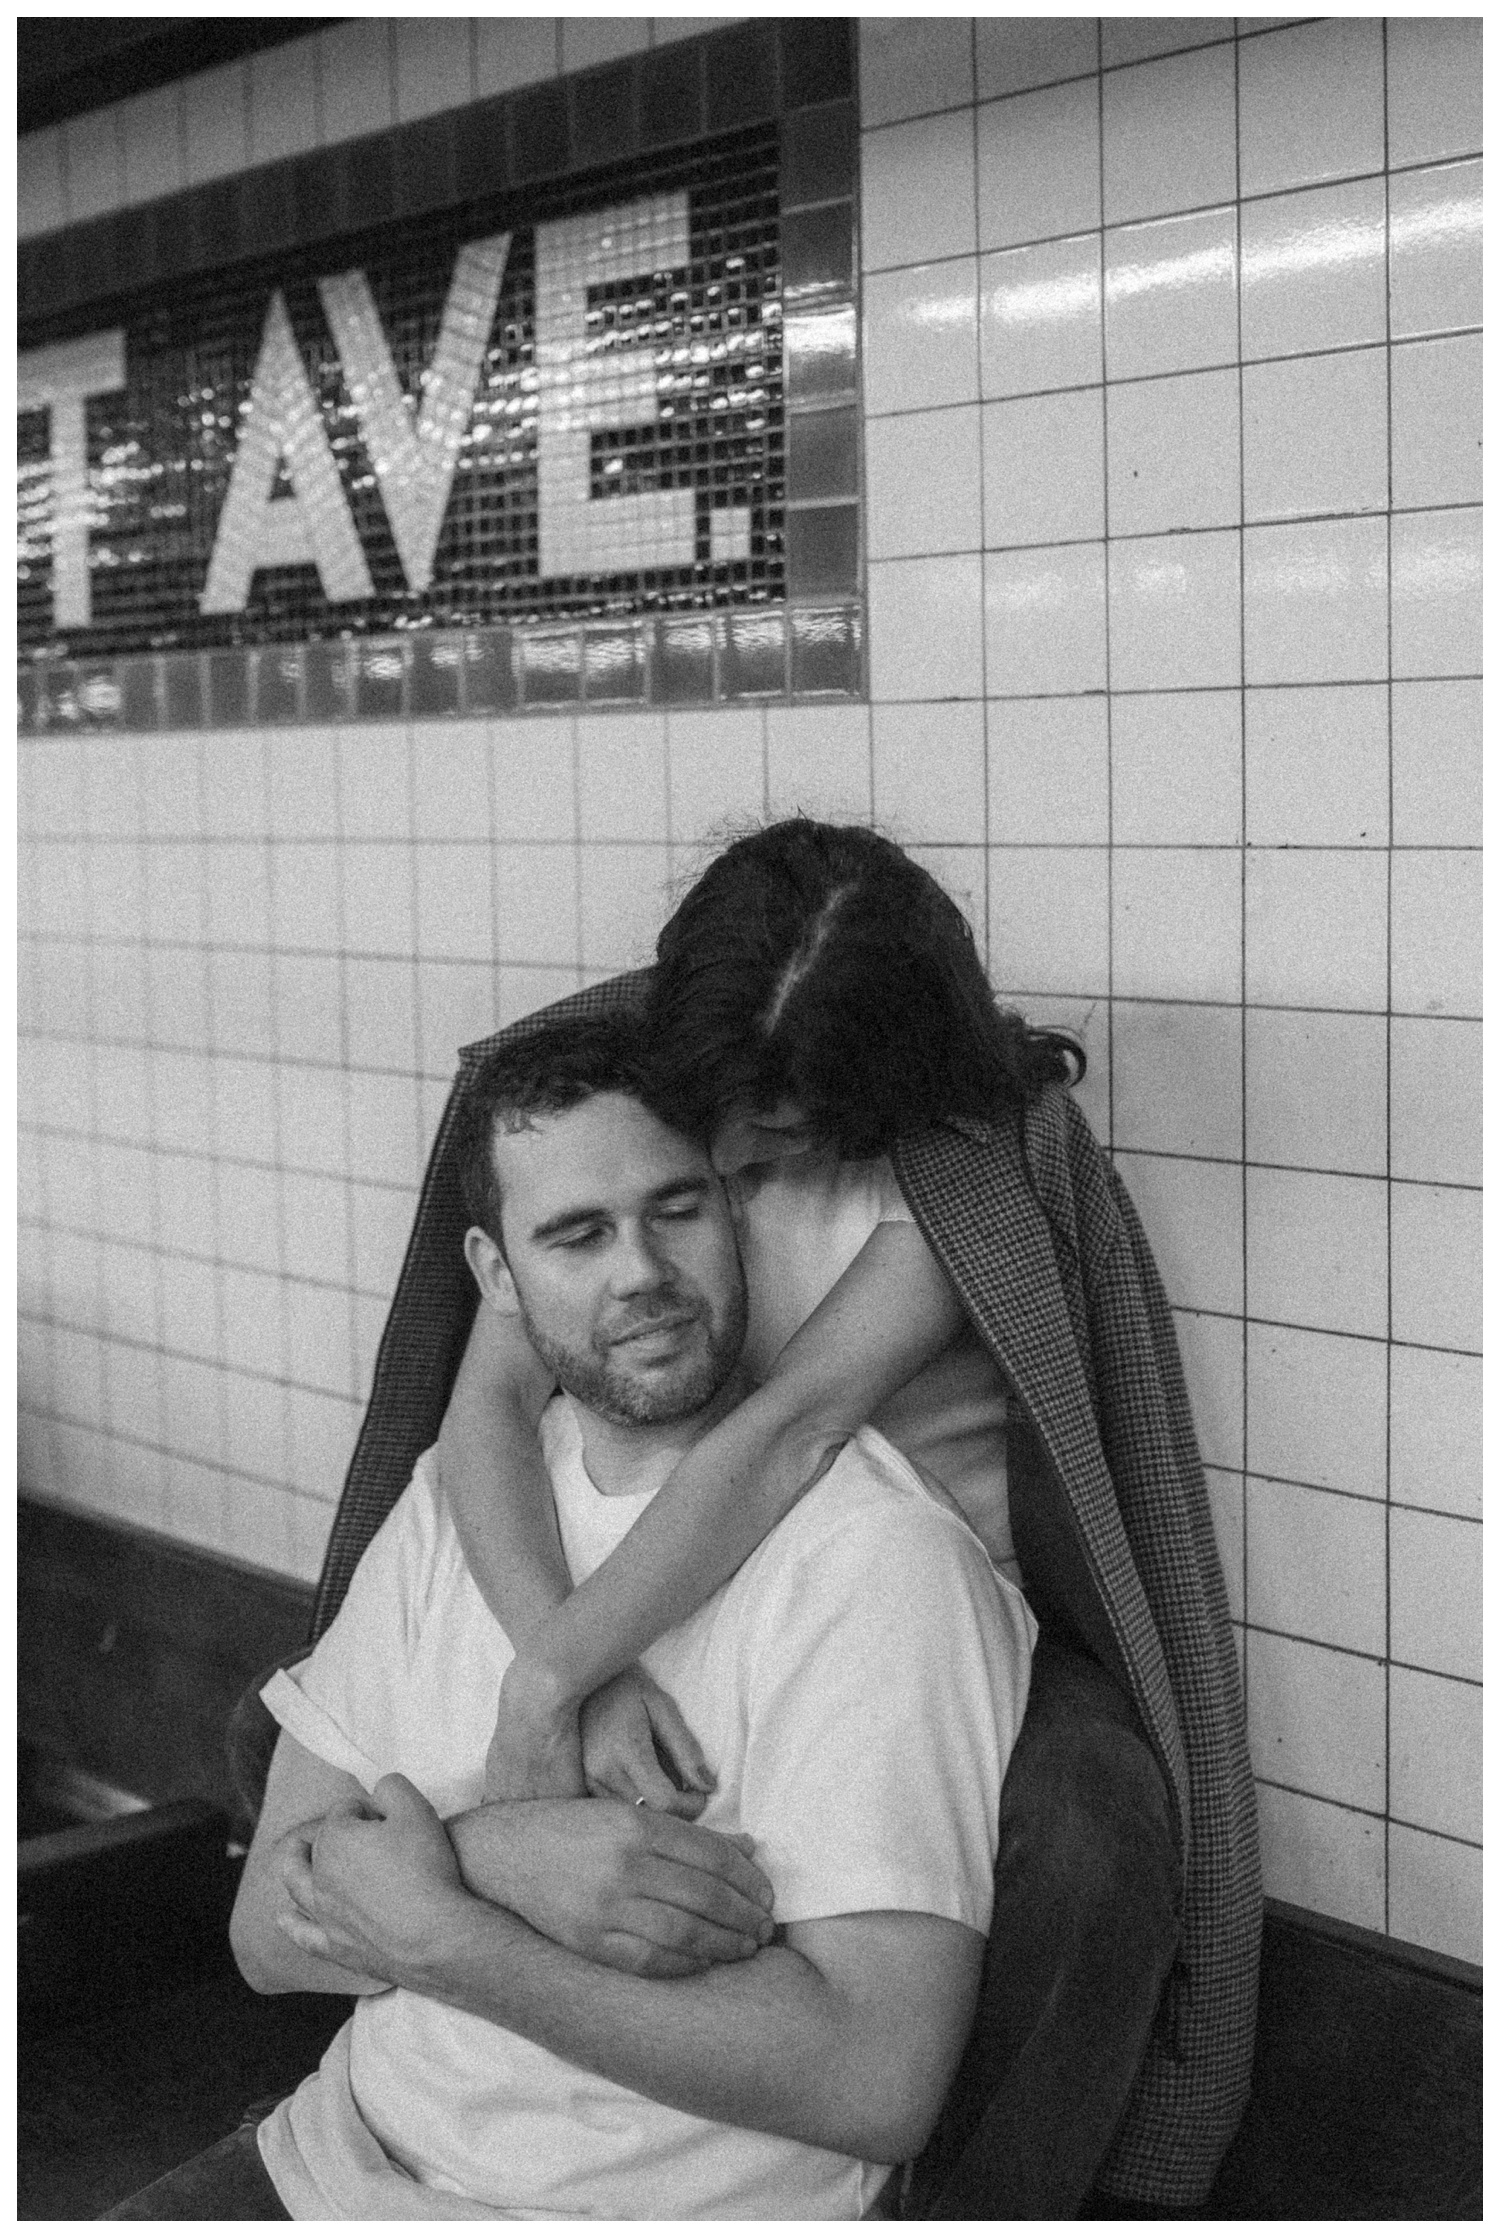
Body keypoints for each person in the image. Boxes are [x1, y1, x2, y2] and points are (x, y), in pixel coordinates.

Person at [429, 819, 1258, 2215]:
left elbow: (789, 1433)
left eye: (782, 1129)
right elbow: (486, 1412)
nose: (735, 1148)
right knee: (319, 1734)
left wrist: (555, 1674)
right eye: (722, 1110)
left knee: (1096, 1828)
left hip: (932, 1595)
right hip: (666, 1568)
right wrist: (569, 1660)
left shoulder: (969, 1162)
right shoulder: (632, 1091)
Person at [106, 1015, 1034, 2219]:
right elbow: (264, 1937)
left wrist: (446, 1936)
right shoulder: (460, 1505)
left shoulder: (878, 1562)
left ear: (735, 1209)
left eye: (676, 1211)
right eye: (578, 1234)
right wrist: (494, 1860)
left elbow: (874, 2079)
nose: (640, 1271)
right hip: (330, 2162)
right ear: (498, 1277)